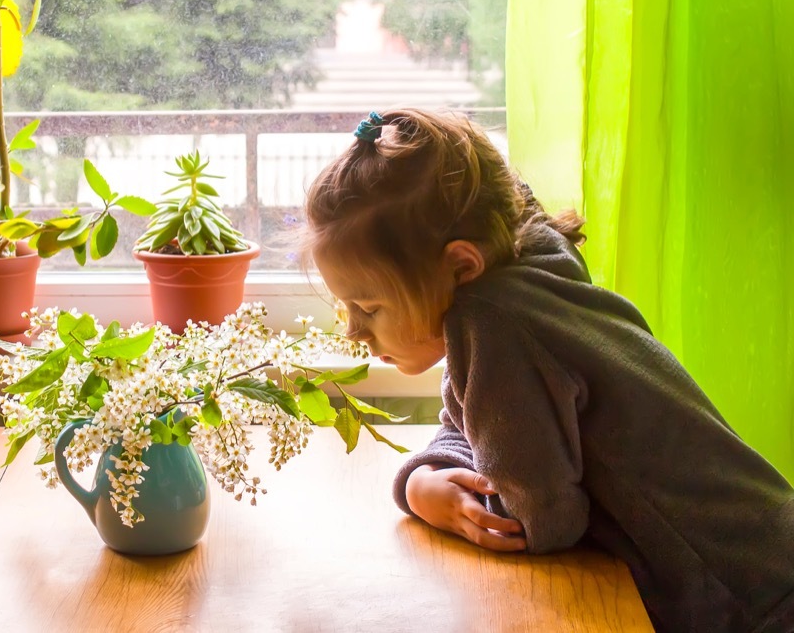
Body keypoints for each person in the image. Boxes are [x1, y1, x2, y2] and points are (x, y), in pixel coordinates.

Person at [301, 108, 794, 633]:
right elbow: (473, 420)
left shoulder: (496, 324)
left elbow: (540, 522)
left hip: (749, 604)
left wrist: (422, 496)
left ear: (462, 266)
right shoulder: (527, 267)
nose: (353, 330)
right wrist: (426, 476)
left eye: (369, 306)